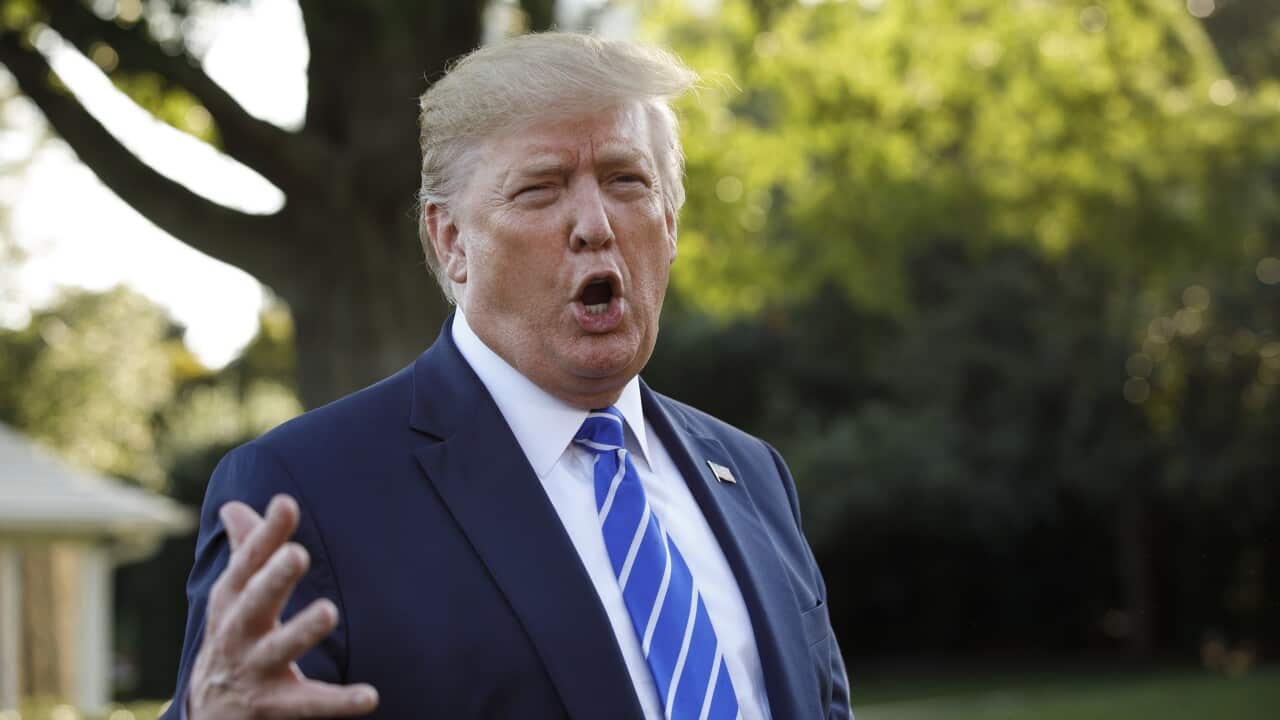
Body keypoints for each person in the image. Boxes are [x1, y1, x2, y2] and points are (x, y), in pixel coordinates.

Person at [164, 32, 851, 720]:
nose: (594, 225)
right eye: (540, 189)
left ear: (669, 223)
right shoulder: (307, 492)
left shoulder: (753, 475)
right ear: (451, 241)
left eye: (626, 181)